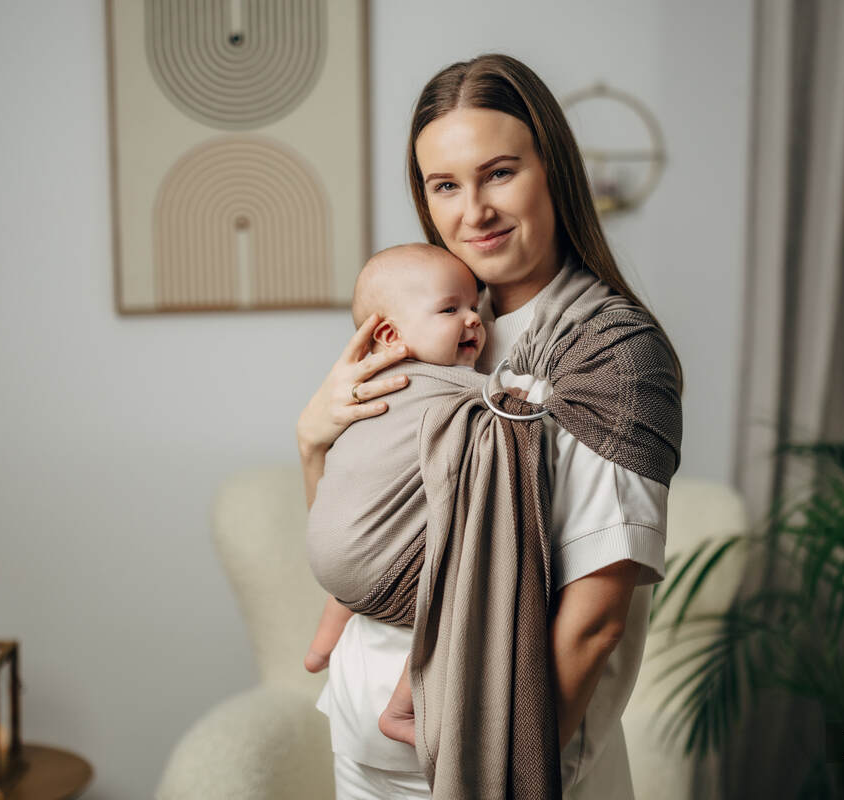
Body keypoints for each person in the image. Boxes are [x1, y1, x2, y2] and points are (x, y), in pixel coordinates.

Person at [295, 53, 684, 799]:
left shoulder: (611, 355)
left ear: (553, 172)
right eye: (446, 185)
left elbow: (593, 625)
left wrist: (498, 774)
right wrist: (313, 441)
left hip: (494, 758)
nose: (472, 211)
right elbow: (361, 520)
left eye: (499, 173)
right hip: (363, 737)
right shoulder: (435, 327)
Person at [304, 242, 486, 677]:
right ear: (390, 336)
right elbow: (509, 400)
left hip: (330, 556)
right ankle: (404, 703)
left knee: (351, 584)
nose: (474, 318)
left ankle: (319, 649)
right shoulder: (448, 384)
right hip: (380, 567)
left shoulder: (362, 386)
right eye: (450, 310)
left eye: (475, 306)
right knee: (460, 596)